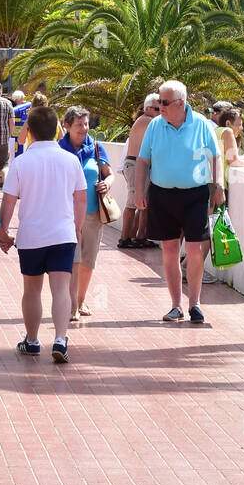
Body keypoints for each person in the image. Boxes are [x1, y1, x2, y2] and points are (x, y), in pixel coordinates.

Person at [0, 102, 86, 364]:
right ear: (58, 130)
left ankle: (33, 340)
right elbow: (81, 198)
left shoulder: (21, 162)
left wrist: (3, 232)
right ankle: (60, 339)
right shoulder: (70, 160)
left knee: (32, 290)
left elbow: (9, 201)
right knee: (61, 289)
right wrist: (77, 228)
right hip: (63, 235)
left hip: (31, 236)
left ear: (30, 131)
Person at [135, 80, 224, 326]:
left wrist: (219, 185)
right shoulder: (155, 126)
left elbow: (216, 156)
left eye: (164, 102)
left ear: (181, 103)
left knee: (195, 250)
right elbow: (143, 160)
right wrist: (138, 191)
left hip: (194, 194)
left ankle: (194, 304)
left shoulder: (202, 125)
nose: (159, 106)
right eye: (158, 102)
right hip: (162, 195)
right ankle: (176, 305)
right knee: (170, 250)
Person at [57, 105, 114, 319]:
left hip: (92, 214)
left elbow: (109, 174)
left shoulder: (97, 148)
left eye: (86, 124)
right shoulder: (59, 149)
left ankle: (81, 300)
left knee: (88, 260)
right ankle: (72, 304)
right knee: (73, 259)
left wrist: (107, 184)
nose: (84, 128)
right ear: (67, 126)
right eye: (79, 124)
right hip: (67, 213)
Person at [118, 93, 161, 250]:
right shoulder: (147, 121)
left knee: (144, 203)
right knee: (132, 203)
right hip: (136, 165)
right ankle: (124, 237)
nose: (160, 111)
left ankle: (140, 236)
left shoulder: (148, 121)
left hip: (139, 165)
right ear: (147, 108)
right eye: (157, 108)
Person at [16, 91, 48, 156]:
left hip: (32, 154)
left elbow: (20, 141)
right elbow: (61, 139)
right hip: (49, 154)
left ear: (32, 106)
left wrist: (29, 117)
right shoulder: (55, 121)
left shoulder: (29, 121)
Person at [10, 89, 29, 161]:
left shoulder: (24, 108)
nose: (24, 101)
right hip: (13, 137)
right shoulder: (13, 108)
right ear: (17, 99)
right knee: (13, 156)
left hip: (22, 135)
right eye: (22, 99)